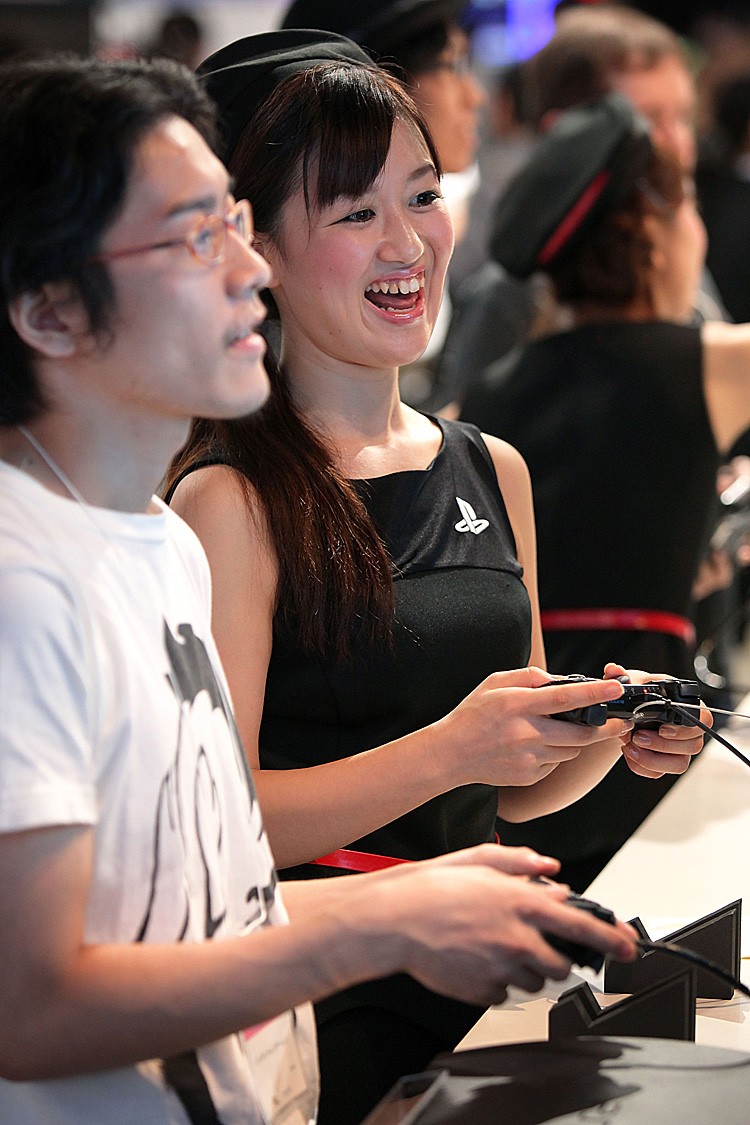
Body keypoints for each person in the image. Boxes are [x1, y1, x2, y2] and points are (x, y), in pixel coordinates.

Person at [0, 51, 646, 1125]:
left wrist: (445, 887)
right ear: (52, 311)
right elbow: (32, 1005)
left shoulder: (147, 540)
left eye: (236, 226)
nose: (248, 270)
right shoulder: (39, 582)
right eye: (196, 236)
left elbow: (212, 896)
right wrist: (386, 920)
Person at [164, 31, 705, 1123]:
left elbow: (508, 790)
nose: (407, 241)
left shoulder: (488, 466)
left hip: (486, 979)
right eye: (355, 213)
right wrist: (454, 745)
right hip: (324, 1016)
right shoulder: (229, 501)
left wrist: (599, 729)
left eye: (423, 195)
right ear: (256, 246)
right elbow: (223, 834)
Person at [460, 91, 750, 891]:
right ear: (648, 232)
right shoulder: (706, 361)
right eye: (684, 200)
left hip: (529, 743)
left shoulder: (483, 397)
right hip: (648, 731)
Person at [437, 2, 729, 417]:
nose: (678, 145)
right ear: (568, 136)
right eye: (648, 122)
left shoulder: (679, 250)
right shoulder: (509, 300)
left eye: (683, 118)